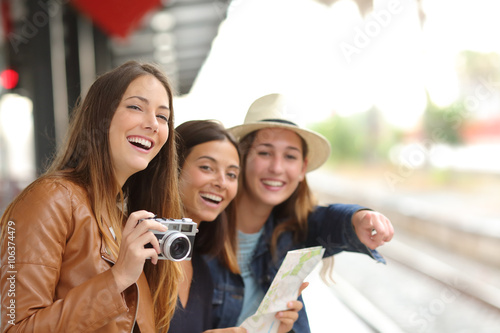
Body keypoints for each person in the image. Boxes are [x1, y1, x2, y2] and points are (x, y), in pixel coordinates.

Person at [0, 61, 182, 332]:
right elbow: (16, 327)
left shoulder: (126, 222)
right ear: (101, 116)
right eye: (135, 107)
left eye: (163, 117)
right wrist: (117, 278)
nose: (153, 124)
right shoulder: (50, 199)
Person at [206, 93, 395, 332]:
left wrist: (360, 218)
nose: (276, 168)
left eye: (290, 156)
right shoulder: (201, 229)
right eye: (264, 152)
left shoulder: (296, 230)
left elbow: (331, 220)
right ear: (241, 157)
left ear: (302, 168)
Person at [169, 120, 305, 333]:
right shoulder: (139, 246)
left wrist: (271, 329)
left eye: (231, 174)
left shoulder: (202, 270)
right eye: (206, 167)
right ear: (171, 166)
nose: (221, 182)